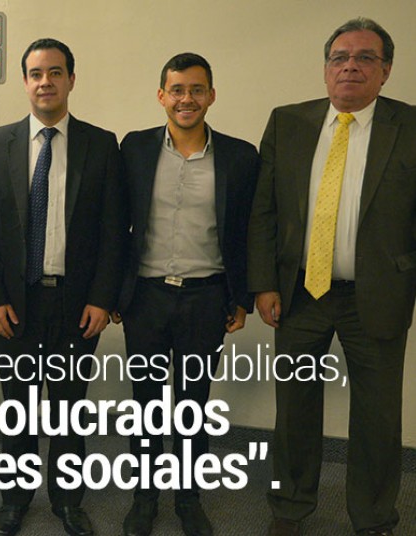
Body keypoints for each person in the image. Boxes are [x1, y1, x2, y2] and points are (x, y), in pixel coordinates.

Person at [247, 17, 416, 536]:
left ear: (386, 70)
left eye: (365, 58)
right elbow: (264, 211)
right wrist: (264, 283)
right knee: (294, 411)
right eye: (340, 57)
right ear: (326, 69)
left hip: (379, 296)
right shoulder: (288, 122)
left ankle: (374, 517)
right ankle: (290, 509)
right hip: (300, 294)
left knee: (377, 418)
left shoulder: (410, 127)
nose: (350, 67)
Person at [0, 38, 127, 536]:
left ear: (71, 80)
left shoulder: (101, 144)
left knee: (68, 407)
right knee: (16, 407)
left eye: (56, 73)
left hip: (75, 302)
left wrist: (102, 299)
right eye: (37, 74)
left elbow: (114, 231)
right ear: (24, 82)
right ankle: (15, 499)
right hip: (14, 304)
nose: (46, 82)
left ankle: (67, 500)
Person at [115, 53, 259, 536]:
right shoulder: (135, 148)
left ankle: (188, 498)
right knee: (146, 405)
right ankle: (144, 498)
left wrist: (242, 297)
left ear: (211, 95)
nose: (186, 99)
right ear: (162, 96)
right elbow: (116, 223)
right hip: (146, 297)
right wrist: (115, 292)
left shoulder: (239, 156)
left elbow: (246, 232)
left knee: (192, 406)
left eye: (197, 89)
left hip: (206, 298)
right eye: (177, 89)